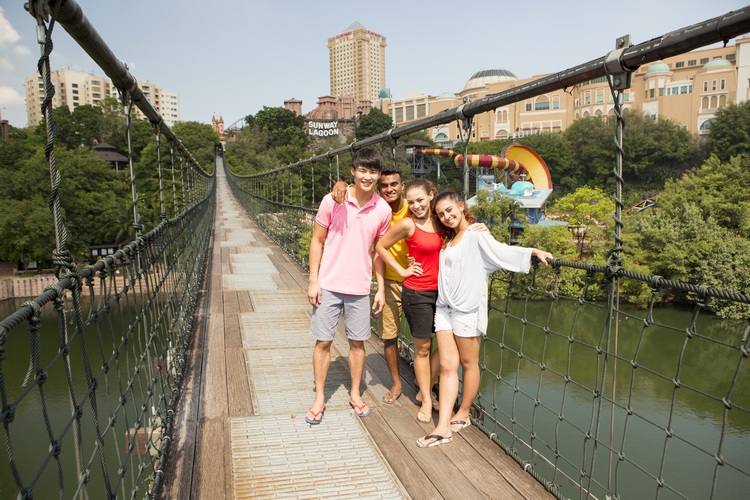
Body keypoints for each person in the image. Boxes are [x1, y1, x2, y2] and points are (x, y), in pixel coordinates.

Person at [416, 190, 554, 447]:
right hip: (444, 308)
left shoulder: (476, 235)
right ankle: (443, 426)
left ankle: (464, 412)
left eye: (449, 210)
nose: (446, 217)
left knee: (468, 363)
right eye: (441, 214)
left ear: (460, 205)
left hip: (467, 310)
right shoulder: (450, 238)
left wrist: (533, 251)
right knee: (447, 365)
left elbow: (502, 252)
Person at [305, 148, 392, 425]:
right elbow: (317, 240)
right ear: (353, 171)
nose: (368, 176)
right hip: (328, 284)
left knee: (358, 343)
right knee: (323, 343)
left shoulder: (383, 209)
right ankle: (319, 398)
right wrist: (313, 280)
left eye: (373, 172)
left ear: (379, 176)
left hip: (359, 288)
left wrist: (379, 288)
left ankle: (355, 394)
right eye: (362, 170)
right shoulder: (332, 200)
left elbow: (379, 251)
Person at [332, 169, 410, 405]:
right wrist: (341, 182)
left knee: (425, 339)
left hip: (418, 281)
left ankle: (426, 387)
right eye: (384, 185)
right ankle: (397, 383)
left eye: (394, 184)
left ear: (402, 185)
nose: (389, 189)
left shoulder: (415, 206)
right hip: (390, 280)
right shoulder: (378, 209)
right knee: (389, 336)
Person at [375, 178, 442, 422]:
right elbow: (381, 247)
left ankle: (424, 383)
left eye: (421, 200)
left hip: (444, 294)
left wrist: (480, 227)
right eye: (411, 202)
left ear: (431, 195)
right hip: (418, 293)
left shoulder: (442, 219)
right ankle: (425, 398)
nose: (416, 206)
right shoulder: (407, 224)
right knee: (423, 349)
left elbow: (464, 226)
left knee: (448, 347)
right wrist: (403, 271)